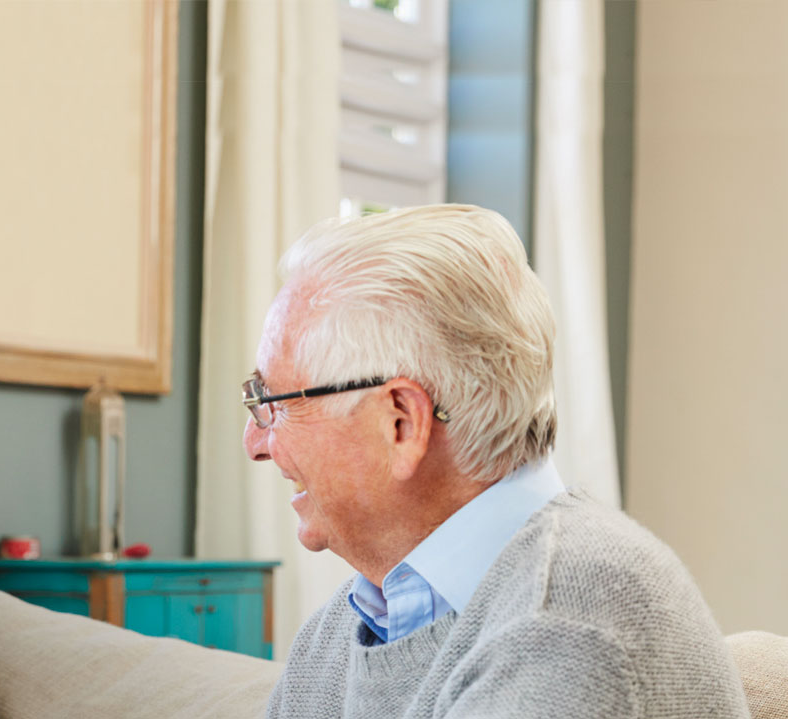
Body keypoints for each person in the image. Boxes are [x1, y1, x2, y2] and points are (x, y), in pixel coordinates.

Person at [243, 205, 749, 718]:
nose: (255, 442)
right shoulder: (338, 635)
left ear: (401, 423)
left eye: (275, 404)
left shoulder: (570, 623)